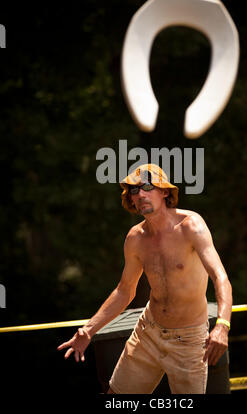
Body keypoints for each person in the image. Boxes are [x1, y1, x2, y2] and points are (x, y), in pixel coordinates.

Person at [57, 164, 232, 394]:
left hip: (189, 341)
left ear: (165, 192)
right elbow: (125, 290)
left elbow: (220, 277)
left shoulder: (191, 226)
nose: (140, 194)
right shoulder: (135, 239)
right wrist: (89, 330)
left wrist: (222, 325)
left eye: (147, 187)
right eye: (133, 190)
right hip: (148, 332)